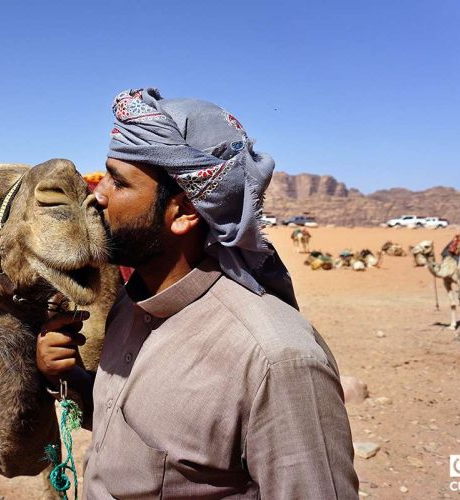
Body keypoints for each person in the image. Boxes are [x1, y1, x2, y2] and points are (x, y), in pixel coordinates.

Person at [37, 88, 358, 498]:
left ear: (185, 212)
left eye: (118, 182)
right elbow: (136, 432)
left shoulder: (275, 360)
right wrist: (68, 377)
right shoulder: (130, 306)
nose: (95, 196)